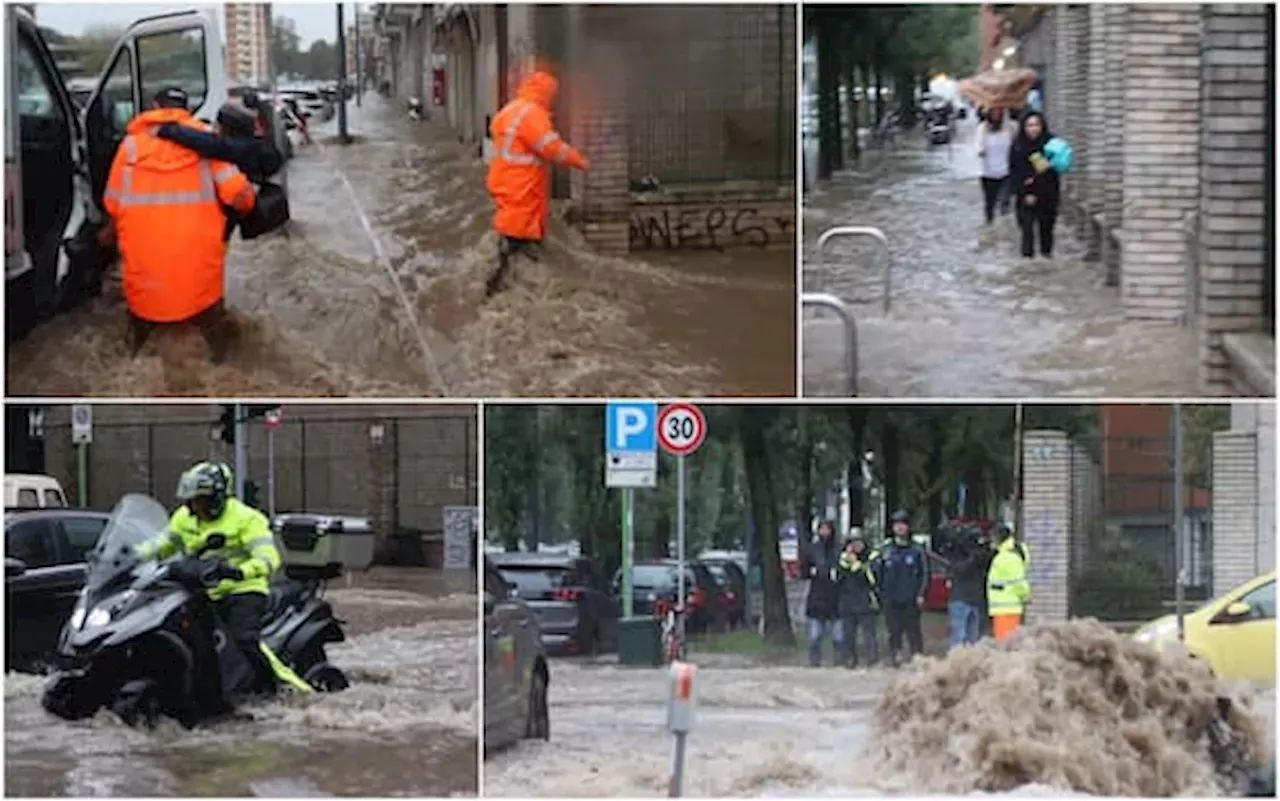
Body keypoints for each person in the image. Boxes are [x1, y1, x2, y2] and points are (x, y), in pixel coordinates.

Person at [102, 87, 257, 362]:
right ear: (185, 109)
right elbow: (240, 197)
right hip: (199, 283)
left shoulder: (129, 147)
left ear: (153, 106)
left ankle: (134, 357)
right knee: (218, 344)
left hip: (145, 284)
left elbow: (112, 205)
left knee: (137, 350)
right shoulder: (205, 143)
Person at [135, 461, 305, 696]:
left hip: (242, 590)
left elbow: (269, 558)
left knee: (244, 639)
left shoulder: (247, 519)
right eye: (190, 501)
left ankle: (283, 687)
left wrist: (238, 572)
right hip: (201, 590)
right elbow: (161, 544)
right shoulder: (184, 518)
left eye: (199, 501)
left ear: (216, 499)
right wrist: (128, 556)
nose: (193, 507)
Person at [484, 69, 589, 297]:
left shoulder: (511, 110)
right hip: (524, 189)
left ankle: (505, 291)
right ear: (547, 93)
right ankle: (503, 295)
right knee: (520, 245)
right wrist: (580, 160)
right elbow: (551, 148)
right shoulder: (533, 114)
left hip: (508, 187)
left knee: (512, 243)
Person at [873, 510, 929, 665]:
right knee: (894, 631)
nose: (900, 528)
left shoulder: (917, 549)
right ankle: (895, 657)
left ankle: (917, 657)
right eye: (897, 525)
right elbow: (877, 573)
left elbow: (925, 573)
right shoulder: (885, 549)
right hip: (891, 598)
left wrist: (921, 593)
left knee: (913, 631)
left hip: (911, 598)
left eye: (903, 525)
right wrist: (880, 593)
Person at [1008, 111, 1060, 261]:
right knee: (1027, 231)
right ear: (1023, 127)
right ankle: (1028, 263)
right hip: (1025, 196)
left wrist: (1051, 164)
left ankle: (1046, 258)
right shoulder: (1017, 146)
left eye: (1037, 125)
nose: (1033, 129)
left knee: (1046, 231)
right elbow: (1014, 173)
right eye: (1030, 125)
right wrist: (1025, 193)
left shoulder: (1051, 144)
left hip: (1048, 194)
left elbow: (1059, 167)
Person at [800, 520, 844, 667]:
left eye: (827, 529)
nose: (825, 532)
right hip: (816, 599)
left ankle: (839, 662)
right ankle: (814, 663)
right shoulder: (812, 549)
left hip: (835, 599)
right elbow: (803, 571)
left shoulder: (839, 550)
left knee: (838, 638)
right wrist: (811, 571)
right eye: (822, 529)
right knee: (814, 637)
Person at [944, 525, 992, 649]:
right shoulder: (956, 552)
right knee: (959, 636)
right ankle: (956, 663)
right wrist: (973, 557)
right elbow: (961, 569)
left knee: (973, 638)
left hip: (975, 600)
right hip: (960, 599)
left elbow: (987, 561)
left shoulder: (979, 555)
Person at [835, 535, 879, 668]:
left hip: (865, 601)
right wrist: (845, 564)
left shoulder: (871, 558)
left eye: (859, 542)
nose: (856, 546)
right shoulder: (842, 559)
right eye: (853, 543)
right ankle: (849, 659)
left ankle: (872, 659)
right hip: (847, 602)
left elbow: (872, 580)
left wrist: (856, 565)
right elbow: (837, 580)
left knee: (869, 633)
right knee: (848, 634)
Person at [976, 107, 1016, 239]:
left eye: (998, 111)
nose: (996, 114)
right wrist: (981, 151)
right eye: (992, 111)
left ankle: (1006, 231)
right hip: (988, 172)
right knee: (990, 204)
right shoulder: (982, 129)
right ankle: (990, 229)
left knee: (1005, 201)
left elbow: (1018, 146)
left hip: (1007, 172)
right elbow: (977, 147)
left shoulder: (1011, 127)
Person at [986, 524, 1031, 642]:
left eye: (992, 538)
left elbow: (1019, 582)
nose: (990, 542)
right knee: (1008, 642)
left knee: (1005, 643)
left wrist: (1025, 596)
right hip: (1007, 608)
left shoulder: (1006, 557)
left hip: (1005, 609)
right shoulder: (1010, 554)